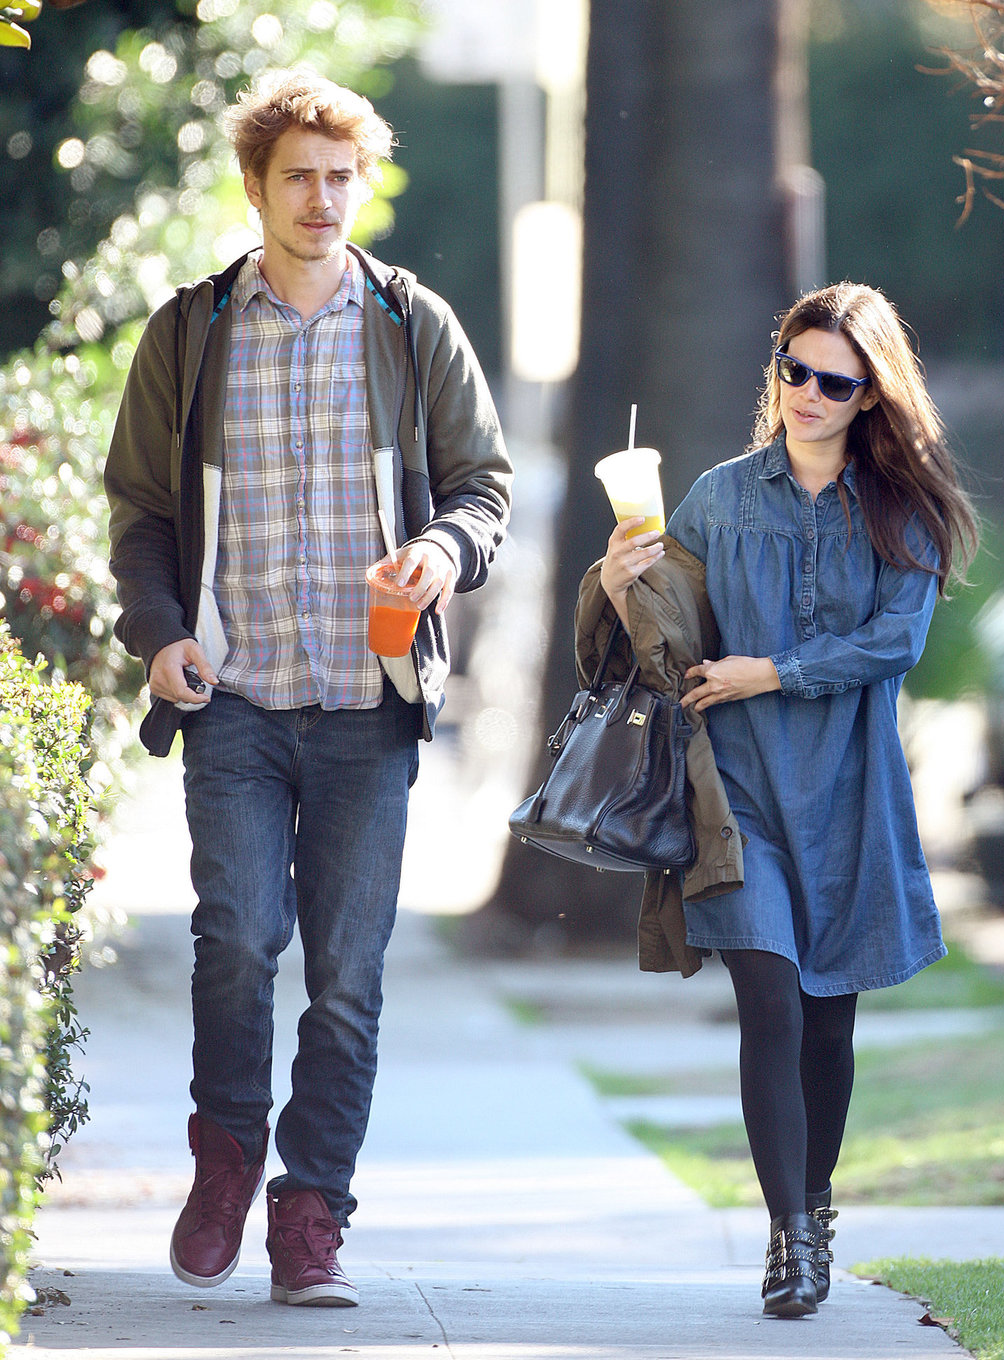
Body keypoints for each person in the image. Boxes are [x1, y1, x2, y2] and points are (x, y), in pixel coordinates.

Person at [104, 72, 512, 1308]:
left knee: (346, 971)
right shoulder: (191, 330)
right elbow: (141, 512)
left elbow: (482, 490)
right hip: (230, 696)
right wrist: (160, 629)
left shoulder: (409, 323)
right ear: (257, 188)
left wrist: (442, 552)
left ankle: (311, 1211)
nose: (323, 198)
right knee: (234, 939)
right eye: (299, 177)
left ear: (360, 182)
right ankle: (226, 1154)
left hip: (366, 704)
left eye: (342, 176)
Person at [597, 282, 977, 1318]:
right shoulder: (718, 498)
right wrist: (622, 576)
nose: (806, 392)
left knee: (825, 1025)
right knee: (768, 1003)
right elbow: (660, 643)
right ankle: (790, 1243)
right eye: (792, 370)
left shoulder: (900, 508)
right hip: (736, 800)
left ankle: (813, 1204)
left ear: (869, 396)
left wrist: (771, 669)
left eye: (833, 381)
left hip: (850, 798)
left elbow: (894, 641)